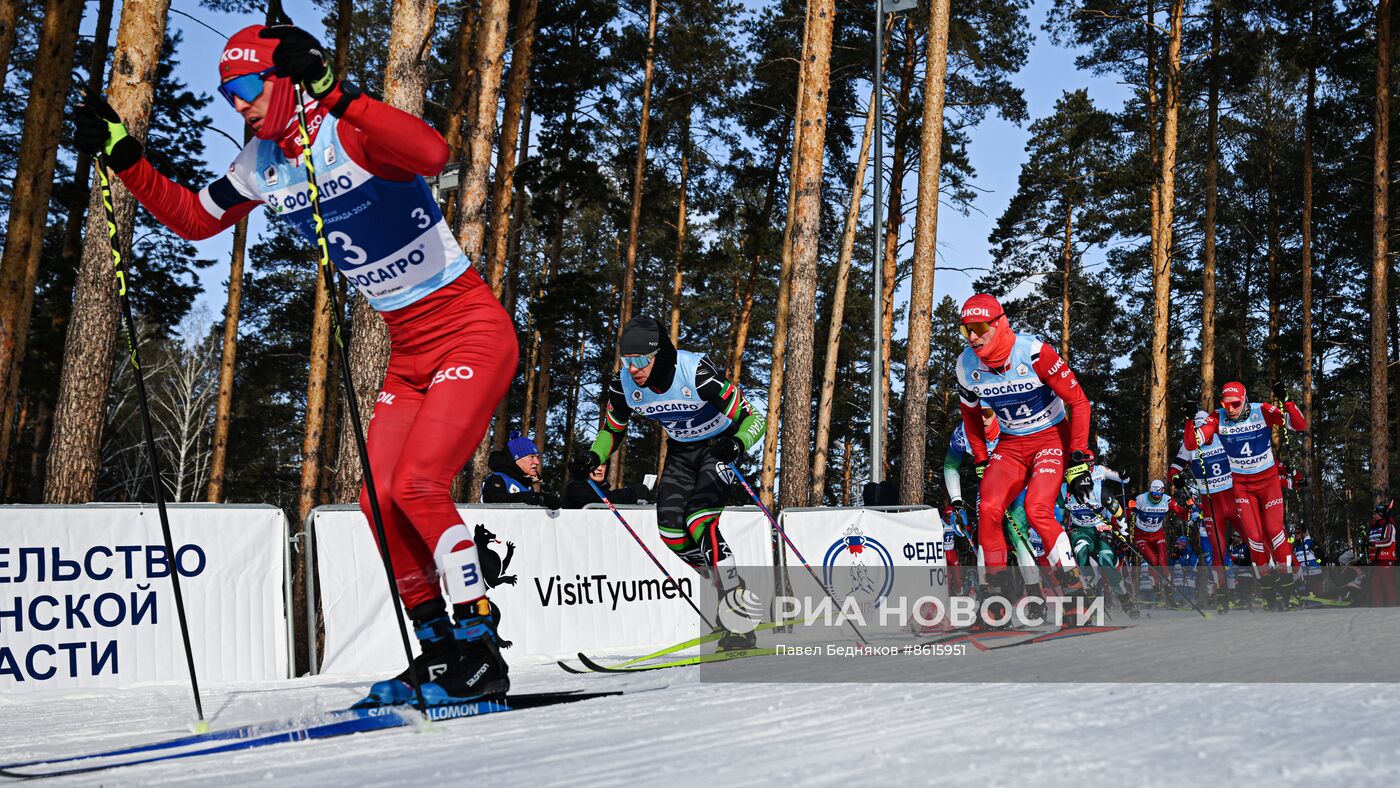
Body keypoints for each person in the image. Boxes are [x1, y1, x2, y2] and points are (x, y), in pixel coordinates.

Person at [73, 25, 515, 702]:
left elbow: (432, 152)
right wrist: (127, 158)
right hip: (409, 352)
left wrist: (336, 90)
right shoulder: (259, 162)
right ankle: (437, 647)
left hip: (469, 332)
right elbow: (195, 218)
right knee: (377, 499)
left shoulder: (350, 130)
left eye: (247, 87)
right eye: (227, 94)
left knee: (420, 485)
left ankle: (481, 645)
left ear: (282, 80)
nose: (238, 104)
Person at [571, 316, 765, 648]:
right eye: (627, 360)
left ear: (661, 355)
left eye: (641, 360)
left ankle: (738, 614)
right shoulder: (624, 385)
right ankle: (729, 590)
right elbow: (611, 430)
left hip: (717, 448)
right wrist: (594, 456)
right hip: (681, 452)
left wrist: (737, 444)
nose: (633, 368)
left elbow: (754, 418)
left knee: (699, 520)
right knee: (672, 533)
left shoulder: (696, 374)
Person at [954, 294, 1094, 598]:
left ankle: (1074, 587)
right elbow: (970, 415)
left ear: (1000, 323)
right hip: (1011, 444)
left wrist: (1080, 457)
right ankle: (996, 592)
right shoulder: (966, 365)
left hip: (1050, 438)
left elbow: (1080, 403)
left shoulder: (1033, 353)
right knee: (989, 508)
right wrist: (980, 457)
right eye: (966, 330)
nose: (973, 337)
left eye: (978, 327)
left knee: (1037, 509)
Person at [1185, 381, 1308, 608]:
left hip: (1268, 483)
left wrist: (1287, 401)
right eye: (1226, 404)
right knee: (1254, 539)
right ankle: (1269, 591)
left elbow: (1299, 425)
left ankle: (1290, 585)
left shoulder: (1262, 410)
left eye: (1235, 404)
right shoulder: (1217, 416)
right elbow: (1192, 444)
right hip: (1242, 486)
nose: (1230, 409)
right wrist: (1189, 421)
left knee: (1274, 531)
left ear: (1245, 400)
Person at [1170, 410, 1242, 600]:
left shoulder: (1222, 436)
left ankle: (1272, 587)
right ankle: (1221, 593)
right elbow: (1173, 470)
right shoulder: (1189, 446)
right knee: (1213, 552)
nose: (1201, 432)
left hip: (1233, 498)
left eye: (1203, 428)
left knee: (1252, 541)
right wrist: (1177, 478)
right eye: (1197, 428)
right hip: (1210, 504)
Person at [1058, 467, 1139, 618]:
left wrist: (1125, 535)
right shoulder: (1064, 492)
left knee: (1107, 562)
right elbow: (1057, 513)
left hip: (1101, 528)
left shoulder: (1099, 490)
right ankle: (1090, 596)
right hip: (1080, 529)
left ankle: (1125, 600)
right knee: (1081, 552)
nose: (1085, 490)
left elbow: (1119, 512)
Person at [1131, 480, 1188, 602]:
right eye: (1155, 494)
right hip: (1142, 536)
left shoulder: (1167, 500)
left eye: (1159, 494)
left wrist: (1188, 508)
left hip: (1157, 534)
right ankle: (1156, 589)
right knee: (1153, 560)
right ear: (1150, 491)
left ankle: (1169, 591)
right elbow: (1125, 513)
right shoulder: (1141, 499)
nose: (1157, 497)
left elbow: (1183, 515)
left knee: (1162, 561)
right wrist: (1130, 510)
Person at [482, 431, 560, 508]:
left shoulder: (526, 482)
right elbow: (493, 502)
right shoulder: (497, 479)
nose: (537, 462)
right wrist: (533, 498)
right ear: (516, 460)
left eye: (537, 457)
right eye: (532, 457)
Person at [563, 463, 652, 509]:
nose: (600, 468)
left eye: (603, 464)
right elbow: (605, 499)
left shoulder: (600, 487)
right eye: (594, 465)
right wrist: (633, 493)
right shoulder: (574, 486)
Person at [1368, 504, 1397, 607]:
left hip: (1386, 558)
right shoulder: (1374, 527)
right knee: (1374, 584)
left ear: (1381, 514)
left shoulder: (1389, 526)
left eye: (1375, 514)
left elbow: (1388, 541)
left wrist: (1375, 544)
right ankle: (1378, 607)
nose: (1373, 516)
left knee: (1387, 584)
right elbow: (1372, 541)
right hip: (1375, 560)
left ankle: (1392, 606)